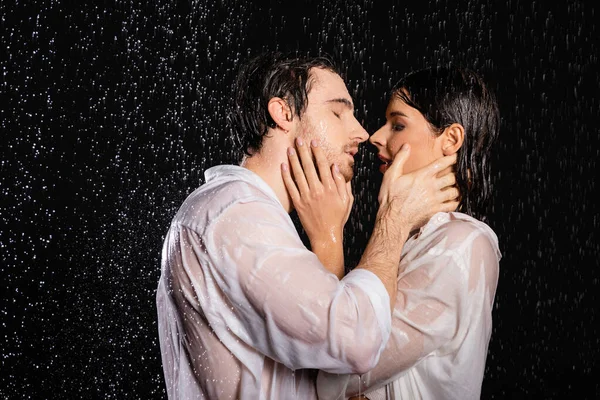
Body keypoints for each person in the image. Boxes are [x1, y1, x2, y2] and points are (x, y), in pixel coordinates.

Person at [155, 51, 460, 399]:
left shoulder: (247, 215)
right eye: (337, 111)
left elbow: (321, 362)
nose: (361, 132)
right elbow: (355, 342)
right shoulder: (234, 214)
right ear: (283, 113)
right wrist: (394, 217)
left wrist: (328, 237)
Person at [284, 66, 501, 400]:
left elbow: (334, 372)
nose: (376, 137)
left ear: (451, 139)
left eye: (398, 124)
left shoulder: (462, 245)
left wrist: (328, 238)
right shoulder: (416, 237)